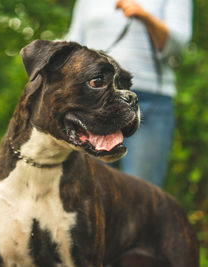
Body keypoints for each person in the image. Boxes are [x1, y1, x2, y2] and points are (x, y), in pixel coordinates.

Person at [66, 0, 193, 187]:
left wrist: (146, 17)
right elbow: (74, 42)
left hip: (150, 100)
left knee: (143, 192)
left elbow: (177, 47)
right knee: (87, 188)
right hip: (95, 101)